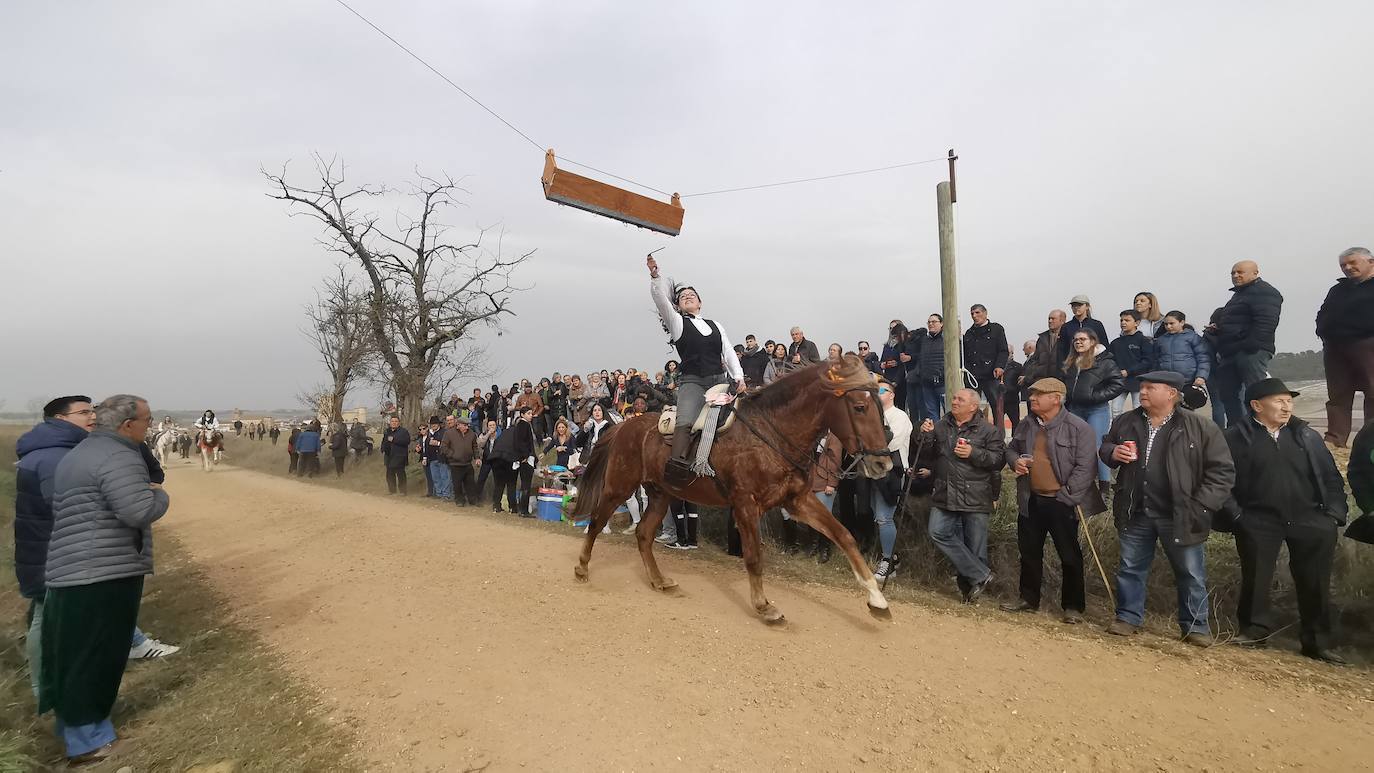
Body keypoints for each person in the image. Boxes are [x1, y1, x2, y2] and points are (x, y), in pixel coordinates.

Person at [40, 394, 169, 764]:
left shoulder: (80, 453)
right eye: (147, 419)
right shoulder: (119, 456)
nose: (149, 426)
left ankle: (76, 730)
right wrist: (160, 496)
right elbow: (137, 509)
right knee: (97, 655)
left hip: (75, 567)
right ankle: (90, 742)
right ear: (128, 425)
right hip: (103, 570)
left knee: (76, 654)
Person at [1099, 371, 1236, 644]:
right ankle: (1127, 617)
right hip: (1135, 509)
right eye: (1142, 386)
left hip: (1181, 513)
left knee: (1190, 572)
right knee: (1130, 567)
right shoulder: (1126, 421)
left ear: (1172, 393)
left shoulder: (1200, 426)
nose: (1144, 391)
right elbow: (1106, 448)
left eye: (1151, 387)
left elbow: (1222, 472)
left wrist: (1202, 505)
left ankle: (1195, 626)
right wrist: (1112, 452)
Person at [1221, 378, 1348, 663]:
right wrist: (1238, 516)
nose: (1286, 406)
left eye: (1289, 401)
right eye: (1279, 401)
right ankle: (1255, 633)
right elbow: (1221, 480)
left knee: (1314, 581)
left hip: (1311, 519)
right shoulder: (1235, 437)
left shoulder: (1306, 435)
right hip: (1258, 519)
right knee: (1257, 576)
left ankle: (1317, 642)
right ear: (1256, 405)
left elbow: (1330, 477)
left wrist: (1334, 516)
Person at [1001, 378, 1100, 623]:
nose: (1032, 398)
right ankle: (1028, 599)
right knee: (1029, 553)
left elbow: (1086, 467)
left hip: (1062, 501)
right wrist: (1015, 462)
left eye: (1038, 394)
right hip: (1031, 499)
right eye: (1031, 394)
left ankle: (1073, 607)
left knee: (1069, 555)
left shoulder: (1079, 428)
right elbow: (1011, 449)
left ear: (1056, 398)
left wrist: (1066, 496)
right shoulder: (1027, 424)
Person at [647, 253, 746, 485]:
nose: (688, 296)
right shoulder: (678, 322)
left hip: (720, 381)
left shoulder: (715, 324)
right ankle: (676, 471)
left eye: (692, 295)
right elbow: (660, 300)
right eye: (683, 296)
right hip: (692, 382)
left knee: (741, 418)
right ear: (678, 305)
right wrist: (655, 276)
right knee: (686, 421)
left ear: (700, 303)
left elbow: (729, 352)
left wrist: (739, 376)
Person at [917, 388, 1005, 604]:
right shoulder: (940, 425)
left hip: (976, 494)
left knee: (976, 546)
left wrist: (974, 454)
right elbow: (926, 454)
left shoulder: (989, 431)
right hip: (945, 491)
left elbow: (998, 461)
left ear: (973, 406)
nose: (954, 401)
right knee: (937, 531)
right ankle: (981, 575)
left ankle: (970, 593)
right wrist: (924, 435)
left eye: (959, 399)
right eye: (953, 398)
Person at [1212, 260, 1284, 427]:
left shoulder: (1264, 291)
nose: (1236, 276)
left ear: (1255, 272)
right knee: (1228, 394)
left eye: (1240, 272)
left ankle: (1264, 427)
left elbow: (1267, 322)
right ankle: (1237, 430)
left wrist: (1251, 345)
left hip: (1250, 351)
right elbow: (1237, 322)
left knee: (1257, 392)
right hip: (1230, 352)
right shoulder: (1239, 295)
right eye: (1233, 273)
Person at [1315, 247, 1374, 448]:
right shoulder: (1338, 289)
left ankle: (1370, 439)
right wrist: (1321, 329)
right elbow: (1323, 312)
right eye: (1343, 265)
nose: (1347, 268)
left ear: (1371, 262)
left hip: (1367, 343)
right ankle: (1335, 438)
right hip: (1335, 346)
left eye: (1352, 263)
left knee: (1373, 391)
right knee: (1338, 394)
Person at [1062, 328, 1125, 495]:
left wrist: (1095, 396)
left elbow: (1118, 383)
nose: (1078, 342)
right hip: (1074, 409)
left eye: (1082, 339)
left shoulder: (1105, 361)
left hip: (1096, 410)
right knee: (1074, 446)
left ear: (1093, 341)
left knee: (1098, 448)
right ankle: (1079, 483)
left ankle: (1104, 488)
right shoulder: (1071, 361)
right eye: (1075, 339)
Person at [870, 379, 913, 585]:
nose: (876, 392)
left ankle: (889, 561)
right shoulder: (873, 414)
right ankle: (890, 557)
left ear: (892, 394)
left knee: (884, 517)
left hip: (892, 470)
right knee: (875, 516)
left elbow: (892, 442)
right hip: (872, 468)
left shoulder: (900, 416)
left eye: (881, 389)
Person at [962, 304, 1010, 430]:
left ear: (985, 313)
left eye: (977, 313)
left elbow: (1003, 350)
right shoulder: (969, 333)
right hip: (973, 376)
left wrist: (1000, 366)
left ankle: (999, 436)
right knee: (971, 407)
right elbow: (964, 354)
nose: (974, 316)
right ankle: (974, 432)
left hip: (991, 375)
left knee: (997, 407)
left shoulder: (996, 329)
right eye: (972, 313)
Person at [1109, 309, 1154, 421]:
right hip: (1119, 381)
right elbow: (1110, 361)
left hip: (1138, 381)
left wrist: (1129, 371)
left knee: (1139, 409)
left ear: (1137, 323)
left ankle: (1139, 434)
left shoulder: (1144, 341)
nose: (1123, 323)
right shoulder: (1115, 343)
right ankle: (1116, 433)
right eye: (1121, 320)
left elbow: (1148, 361)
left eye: (1127, 320)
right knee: (1115, 410)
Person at [1151, 310, 1210, 389]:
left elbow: (1203, 358)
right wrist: (1153, 377)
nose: (1168, 326)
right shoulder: (1160, 340)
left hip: (1190, 381)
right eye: (1166, 324)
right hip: (1166, 381)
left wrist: (1201, 376)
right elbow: (1156, 360)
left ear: (1182, 322)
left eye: (1172, 323)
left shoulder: (1193, 337)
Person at [1057, 296, 1110, 366]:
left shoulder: (1097, 324)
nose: (1076, 307)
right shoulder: (1066, 327)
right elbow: (1061, 350)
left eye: (1079, 305)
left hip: (1095, 365)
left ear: (1087, 306)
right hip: (1072, 366)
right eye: (1073, 305)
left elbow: (1104, 346)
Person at [914, 314, 947, 423]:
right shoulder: (925, 341)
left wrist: (941, 373)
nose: (931, 324)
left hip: (943, 383)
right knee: (932, 414)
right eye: (929, 322)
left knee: (948, 411)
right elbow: (920, 358)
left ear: (941, 323)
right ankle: (936, 436)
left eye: (934, 321)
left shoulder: (947, 339)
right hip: (927, 382)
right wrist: (920, 373)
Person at [441, 417, 479, 507]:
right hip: (455, 463)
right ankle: (459, 500)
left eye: (467, 425)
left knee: (470, 483)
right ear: (458, 425)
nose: (467, 427)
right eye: (465, 425)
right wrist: (453, 455)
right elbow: (443, 447)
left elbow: (475, 447)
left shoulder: (472, 434)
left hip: (468, 463)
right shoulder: (449, 433)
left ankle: (473, 500)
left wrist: (477, 458)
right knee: (457, 484)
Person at [1022, 309, 1067, 384]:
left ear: (1062, 321)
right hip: (1042, 380)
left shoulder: (1067, 337)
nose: (1050, 321)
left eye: (1053, 319)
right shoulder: (1042, 338)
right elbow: (1035, 360)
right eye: (1049, 318)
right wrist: (1029, 377)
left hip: (1060, 381)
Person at [879, 321, 909, 413]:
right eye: (890, 328)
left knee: (900, 406)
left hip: (900, 379)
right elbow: (882, 361)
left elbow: (904, 362)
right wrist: (883, 364)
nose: (892, 330)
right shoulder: (887, 346)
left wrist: (897, 363)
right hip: (888, 377)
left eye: (894, 328)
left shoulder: (903, 344)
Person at [423, 416, 452, 500]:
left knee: (445, 477)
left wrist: (438, 443)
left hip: (442, 458)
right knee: (435, 477)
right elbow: (426, 446)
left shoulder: (444, 432)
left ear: (438, 424)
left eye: (435, 424)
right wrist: (425, 457)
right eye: (432, 424)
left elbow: (448, 444)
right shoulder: (429, 434)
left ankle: (446, 494)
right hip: (432, 458)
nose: (433, 425)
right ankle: (439, 494)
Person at [380, 416, 410, 495]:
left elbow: (407, 441)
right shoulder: (387, 431)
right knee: (389, 474)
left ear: (399, 423)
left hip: (399, 456)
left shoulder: (403, 431)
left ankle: (403, 491)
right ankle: (392, 491)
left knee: (400, 474)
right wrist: (382, 448)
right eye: (392, 421)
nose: (394, 423)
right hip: (389, 456)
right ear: (390, 423)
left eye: (396, 421)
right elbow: (384, 441)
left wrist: (394, 440)